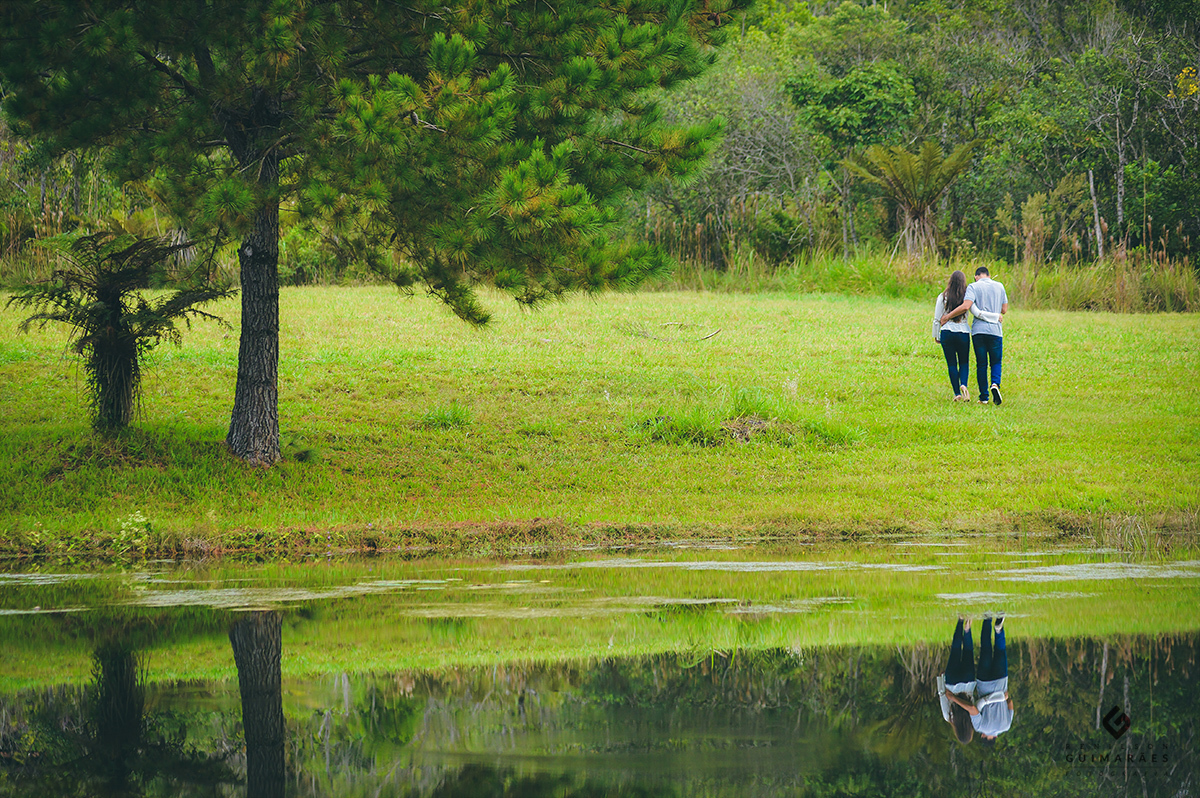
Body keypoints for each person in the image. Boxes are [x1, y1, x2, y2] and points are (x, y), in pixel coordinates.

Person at [941, 266, 1008, 405]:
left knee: (982, 364)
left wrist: (947, 316)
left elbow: (966, 306)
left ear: (977, 276)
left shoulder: (973, 286)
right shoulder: (1000, 286)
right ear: (988, 275)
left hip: (979, 331)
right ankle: (995, 384)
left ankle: (984, 397)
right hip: (995, 331)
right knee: (996, 362)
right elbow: (1004, 309)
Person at [972, 616, 1014, 742]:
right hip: (983, 682)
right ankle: (987, 618)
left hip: (1000, 682)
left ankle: (998, 630)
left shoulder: (1006, 726)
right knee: (985, 648)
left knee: (1000, 650)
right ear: (983, 736)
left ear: (995, 738)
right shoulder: (979, 727)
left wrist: (1003, 699)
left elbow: (1010, 703)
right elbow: (975, 708)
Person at [933, 270, 971, 401]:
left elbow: (937, 318)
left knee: (952, 364)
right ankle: (963, 384)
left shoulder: (943, 296)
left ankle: (957, 393)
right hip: (963, 331)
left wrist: (936, 335)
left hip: (947, 332)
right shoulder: (967, 296)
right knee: (964, 362)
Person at [938, 617, 976, 744]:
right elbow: (943, 695)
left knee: (968, 651)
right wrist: (940, 679)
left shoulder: (973, 718)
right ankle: (960, 621)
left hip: (968, 683)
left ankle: (967, 630)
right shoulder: (949, 717)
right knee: (955, 650)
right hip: (952, 684)